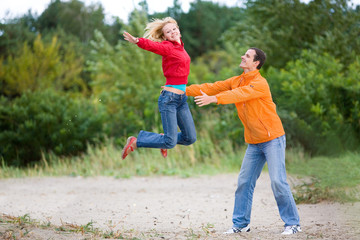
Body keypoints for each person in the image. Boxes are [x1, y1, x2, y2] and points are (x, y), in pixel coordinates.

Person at [186, 47, 301, 235]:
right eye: (244, 54)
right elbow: (210, 87)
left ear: (256, 63)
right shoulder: (236, 81)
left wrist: (214, 99)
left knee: (278, 182)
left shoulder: (260, 83)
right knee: (244, 182)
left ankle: (293, 223)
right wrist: (182, 90)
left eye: (247, 56)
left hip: (273, 139)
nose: (242, 57)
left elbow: (238, 95)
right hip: (254, 142)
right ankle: (240, 225)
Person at [121, 17, 196, 160]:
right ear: (164, 37)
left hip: (181, 99)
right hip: (169, 100)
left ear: (178, 29)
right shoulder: (168, 47)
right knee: (170, 142)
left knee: (190, 138)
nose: (173, 32)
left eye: (174, 29)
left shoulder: (180, 47)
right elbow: (154, 46)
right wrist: (138, 41)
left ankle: (162, 139)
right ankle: (136, 142)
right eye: (168, 32)